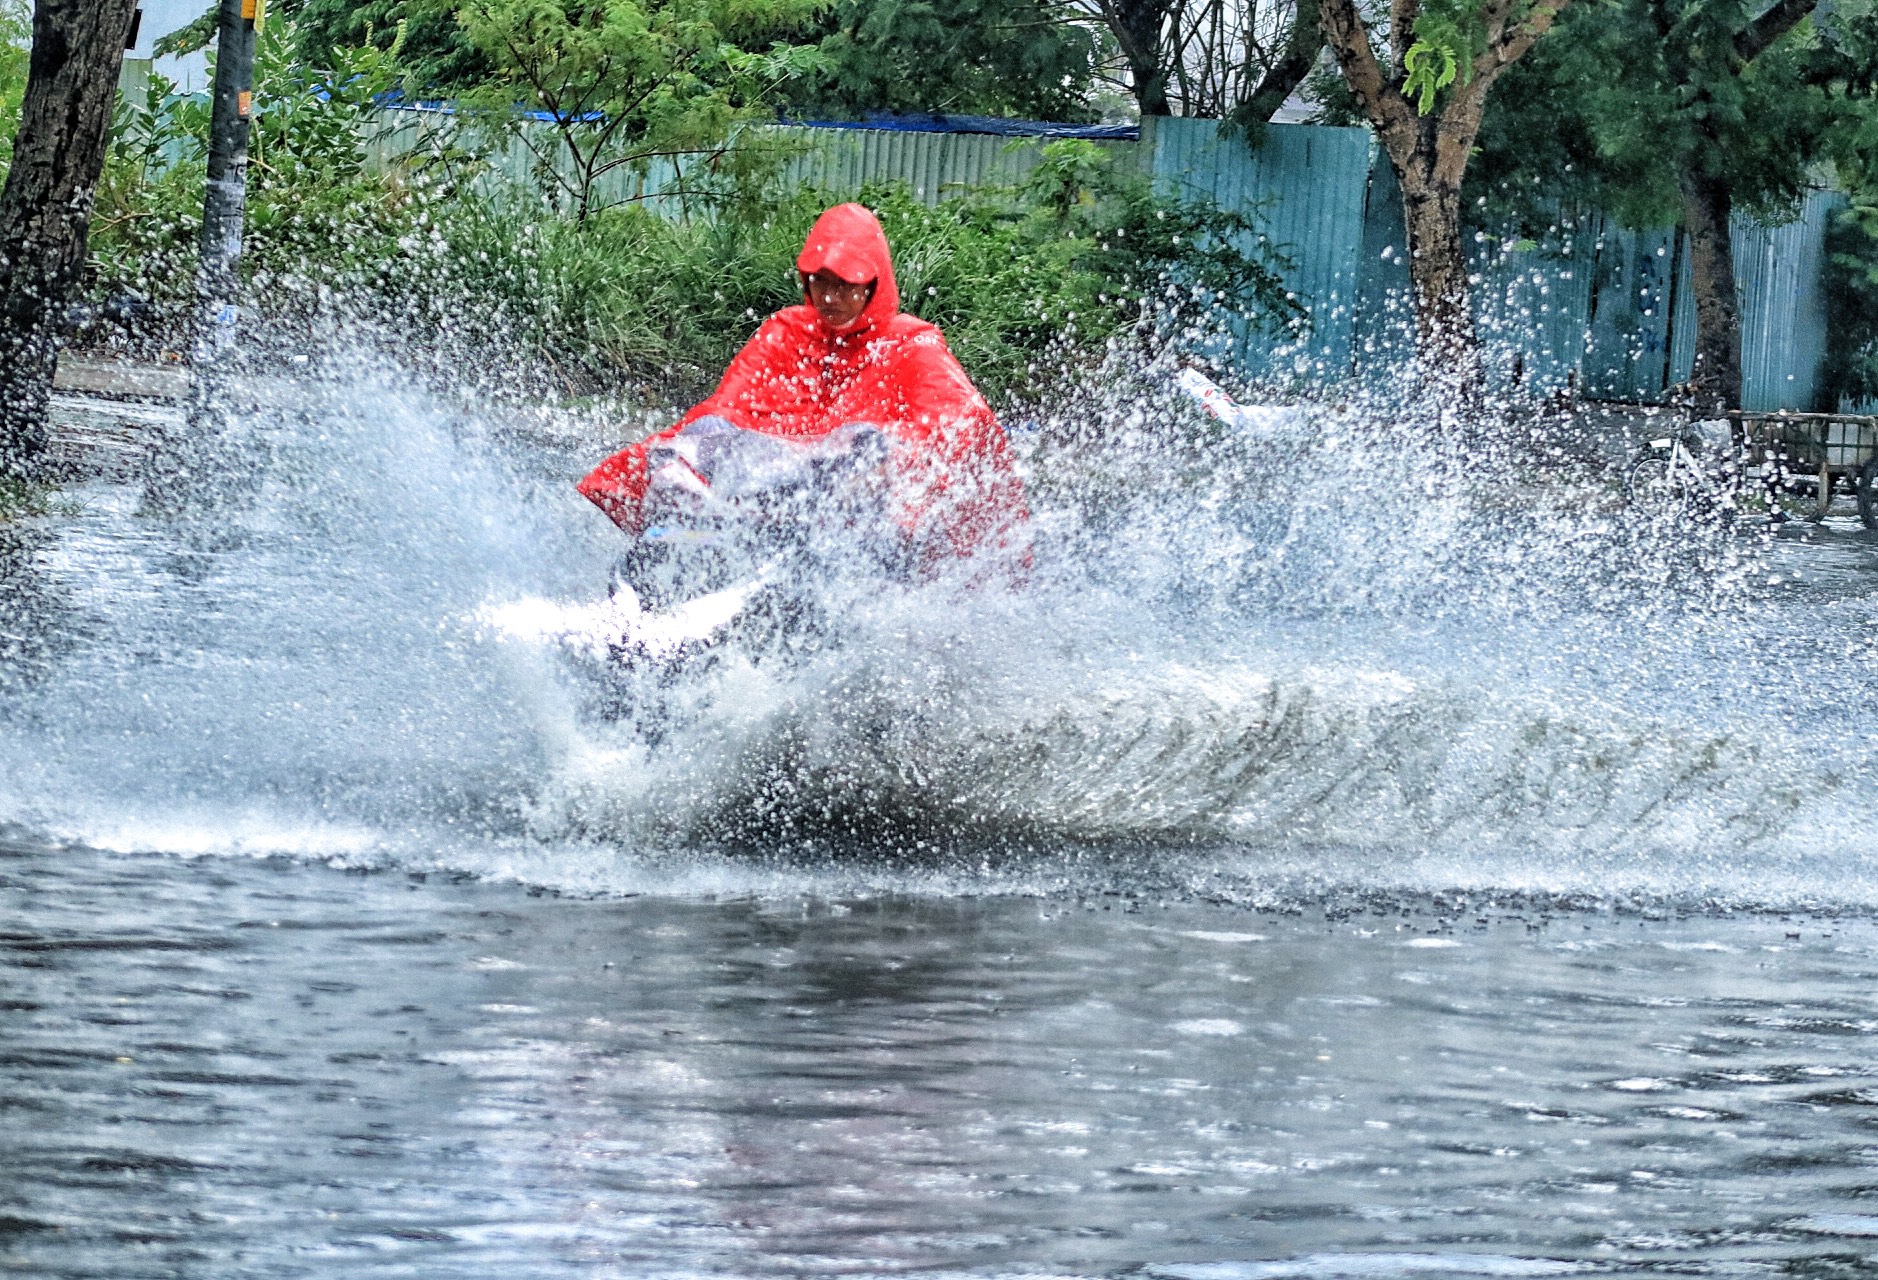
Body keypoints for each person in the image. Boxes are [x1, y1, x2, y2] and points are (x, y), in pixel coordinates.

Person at [576, 203, 1028, 569]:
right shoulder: (786, 329)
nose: (830, 298)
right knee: (686, 449)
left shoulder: (911, 345)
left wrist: (892, 455)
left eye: (846, 285)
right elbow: (729, 409)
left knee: (866, 454)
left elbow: (960, 422)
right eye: (820, 283)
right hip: (772, 492)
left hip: (865, 514)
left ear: (875, 286)